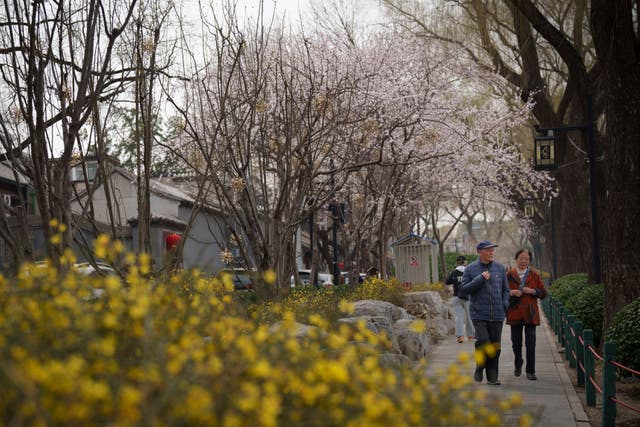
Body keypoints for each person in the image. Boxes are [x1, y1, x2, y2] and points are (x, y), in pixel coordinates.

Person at [461, 240, 510, 385]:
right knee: (483, 341)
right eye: (488, 250)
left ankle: (492, 377)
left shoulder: (500, 268)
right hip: (478, 314)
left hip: (497, 313)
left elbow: (506, 290)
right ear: (479, 252)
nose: (491, 252)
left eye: (492, 250)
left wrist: (504, 305)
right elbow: (464, 289)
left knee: (495, 346)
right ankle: (479, 366)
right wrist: (480, 278)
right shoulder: (470, 269)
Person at [506, 249, 547, 380]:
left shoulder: (534, 275)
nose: (524, 261)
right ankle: (518, 363)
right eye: (521, 258)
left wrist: (533, 291)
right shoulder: (508, 274)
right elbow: (502, 292)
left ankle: (531, 371)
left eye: (526, 259)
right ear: (516, 259)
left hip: (530, 313)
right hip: (515, 313)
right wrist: (511, 292)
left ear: (529, 261)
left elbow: (544, 293)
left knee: (531, 343)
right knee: (516, 343)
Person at [445, 255, 475, 343]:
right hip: (468, 297)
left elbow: (447, 281)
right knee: (469, 317)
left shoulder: (454, 272)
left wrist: (455, 281)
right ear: (465, 262)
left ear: (457, 263)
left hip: (457, 297)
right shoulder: (469, 271)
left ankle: (460, 336)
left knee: (458, 317)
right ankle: (470, 336)